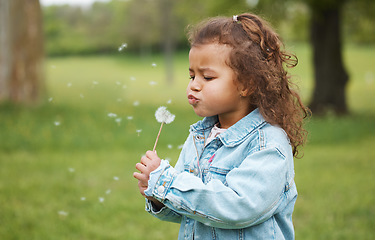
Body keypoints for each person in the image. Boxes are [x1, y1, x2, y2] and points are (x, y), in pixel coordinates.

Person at [133, 13, 309, 240]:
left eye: (207, 77)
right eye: (191, 75)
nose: (194, 86)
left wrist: (167, 183)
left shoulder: (268, 144)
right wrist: (158, 195)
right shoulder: (199, 138)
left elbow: (239, 207)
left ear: (246, 84)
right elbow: (192, 209)